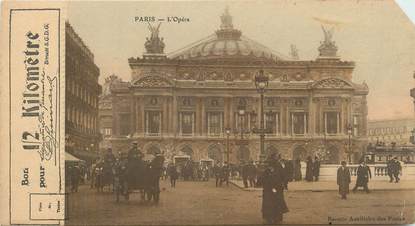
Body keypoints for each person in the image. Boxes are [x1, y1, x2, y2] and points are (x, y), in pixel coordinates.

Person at [261, 158, 289, 224]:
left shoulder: (277, 170)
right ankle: (270, 217)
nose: (270, 167)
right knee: (270, 204)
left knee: (275, 204)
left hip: (276, 190)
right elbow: (263, 180)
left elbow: (283, 178)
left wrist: (280, 186)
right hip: (269, 190)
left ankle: (276, 217)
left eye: (270, 165)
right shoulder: (267, 171)